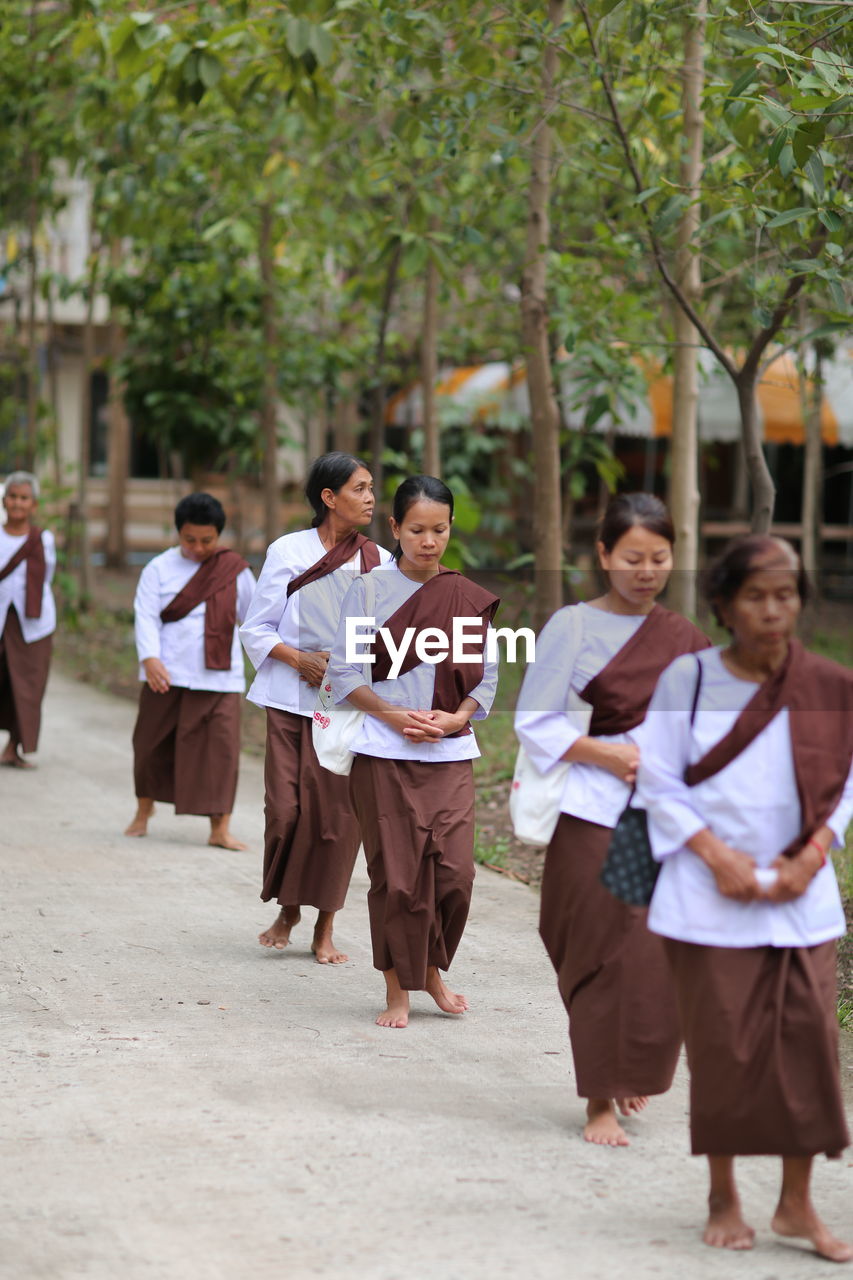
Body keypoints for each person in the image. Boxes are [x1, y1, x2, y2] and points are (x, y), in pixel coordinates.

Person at [637, 535, 852, 1262]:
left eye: (784, 595)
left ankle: (795, 1206)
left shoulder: (828, 684)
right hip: (708, 895)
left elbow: (844, 781)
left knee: (809, 1049)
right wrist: (714, 855)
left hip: (800, 897)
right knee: (723, 1050)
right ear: (724, 604)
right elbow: (657, 782)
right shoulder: (687, 681)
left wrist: (815, 852)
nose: (772, 610)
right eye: (755, 596)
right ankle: (722, 1194)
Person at [514, 492, 710, 1146]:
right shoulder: (571, 626)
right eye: (632, 557)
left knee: (653, 955)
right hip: (592, 809)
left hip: (662, 816)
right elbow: (534, 719)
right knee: (592, 948)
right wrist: (604, 753)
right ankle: (599, 1093)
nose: (646, 570)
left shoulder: (683, 638)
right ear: (602, 555)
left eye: (659, 558)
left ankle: (624, 1068)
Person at [326, 474, 499, 1027]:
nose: (430, 541)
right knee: (398, 878)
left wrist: (456, 718)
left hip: (449, 752)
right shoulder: (367, 590)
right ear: (395, 528)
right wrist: (394, 717)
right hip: (384, 752)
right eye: (418, 529)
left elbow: (486, 676)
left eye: (440, 529)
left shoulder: (464, 595)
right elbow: (344, 673)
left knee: (455, 875)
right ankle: (399, 988)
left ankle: (430, 970)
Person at [240, 452, 391, 965]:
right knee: (285, 811)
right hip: (287, 699)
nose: (371, 497)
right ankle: (288, 908)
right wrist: (300, 659)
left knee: (336, 820)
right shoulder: (288, 551)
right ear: (329, 498)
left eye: (372, 488)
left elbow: (386, 640)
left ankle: (324, 925)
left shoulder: (380, 562)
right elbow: (256, 629)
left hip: (345, 707)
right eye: (360, 488)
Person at [125, 492, 255, 850]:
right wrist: (150, 658)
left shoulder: (236, 572)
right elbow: (145, 616)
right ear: (178, 533)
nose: (197, 548)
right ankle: (143, 811)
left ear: (219, 536)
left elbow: (255, 622)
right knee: (149, 747)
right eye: (189, 540)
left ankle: (220, 828)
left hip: (220, 678)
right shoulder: (159, 568)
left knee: (222, 754)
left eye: (207, 541)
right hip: (165, 674)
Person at [0, 472, 56, 768]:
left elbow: (47, 576)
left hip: (33, 625)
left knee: (28, 686)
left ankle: (14, 748)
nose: (17, 503)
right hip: (1, 619)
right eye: (13, 496)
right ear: (4, 500)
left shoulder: (43, 540)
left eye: (24, 498)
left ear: (34, 505)